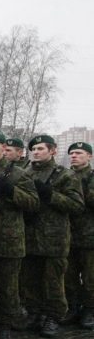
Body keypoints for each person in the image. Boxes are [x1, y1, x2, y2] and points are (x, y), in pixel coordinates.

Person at [0, 132, 38, 339]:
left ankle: (5, 325)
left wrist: (12, 192)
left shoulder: (19, 174)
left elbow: (33, 203)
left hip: (10, 238)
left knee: (8, 286)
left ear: (4, 148)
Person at [22, 135, 84, 337]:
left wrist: (51, 195)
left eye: (41, 148)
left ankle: (53, 316)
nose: (36, 152)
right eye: (34, 149)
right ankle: (34, 312)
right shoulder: (25, 172)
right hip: (29, 236)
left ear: (53, 151)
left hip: (54, 238)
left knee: (54, 282)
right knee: (30, 280)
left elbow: (76, 205)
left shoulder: (65, 175)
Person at [66, 141, 94, 329]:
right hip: (68, 235)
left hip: (90, 235)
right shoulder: (65, 176)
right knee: (69, 276)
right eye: (72, 153)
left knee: (91, 277)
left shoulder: (91, 177)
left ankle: (90, 309)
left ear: (89, 156)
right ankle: (73, 307)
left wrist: (80, 190)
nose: (74, 156)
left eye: (78, 153)